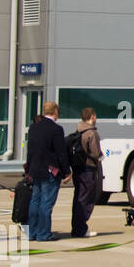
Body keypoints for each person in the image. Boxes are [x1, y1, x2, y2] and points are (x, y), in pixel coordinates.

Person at [25, 102, 70, 241]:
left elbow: (30, 149)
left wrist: (29, 169)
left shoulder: (33, 127)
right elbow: (61, 152)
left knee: (35, 200)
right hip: (50, 170)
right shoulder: (56, 129)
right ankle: (43, 233)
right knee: (46, 202)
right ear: (55, 111)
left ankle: (32, 232)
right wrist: (67, 171)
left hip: (35, 169)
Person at [70, 108, 102, 238]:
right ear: (92, 116)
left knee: (78, 198)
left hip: (78, 168)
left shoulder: (78, 130)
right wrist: (101, 157)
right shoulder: (91, 133)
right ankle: (81, 228)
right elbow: (95, 153)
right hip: (88, 169)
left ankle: (76, 227)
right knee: (86, 199)